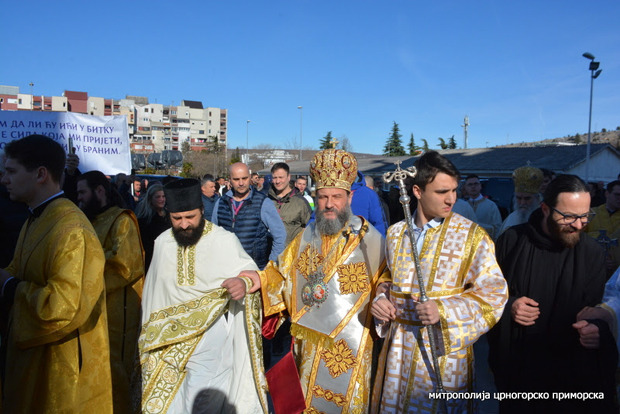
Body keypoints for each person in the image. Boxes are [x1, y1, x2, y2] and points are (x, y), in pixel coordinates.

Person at [241, 148, 388, 413]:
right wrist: (259, 279)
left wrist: (384, 295)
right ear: (315, 198)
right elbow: (282, 273)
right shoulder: (307, 235)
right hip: (308, 347)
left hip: (350, 348)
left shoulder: (370, 240)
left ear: (349, 197)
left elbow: (385, 280)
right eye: (322, 197)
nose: (329, 204)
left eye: (336, 197)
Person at [370, 151, 508, 413]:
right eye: (442, 191)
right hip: (398, 350)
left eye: (454, 190)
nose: (451, 199)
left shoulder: (471, 236)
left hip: (443, 354)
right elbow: (388, 276)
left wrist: (443, 310)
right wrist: (380, 297)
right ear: (417, 191)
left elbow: (494, 294)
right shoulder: (396, 233)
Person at [0, 134, 112, 413]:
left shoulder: (72, 228)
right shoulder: (37, 217)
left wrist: (10, 286)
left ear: (40, 174)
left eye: (11, 171)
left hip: (61, 367)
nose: (4, 179)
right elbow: (18, 268)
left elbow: (64, 307)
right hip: (33, 358)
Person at [488, 174, 616, 413]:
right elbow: (487, 295)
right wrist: (510, 305)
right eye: (568, 216)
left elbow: (595, 309)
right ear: (545, 209)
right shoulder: (511, 241)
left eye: (584, 216)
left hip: (569, 375)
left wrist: (596, 329)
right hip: (519, 371)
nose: (578, 225)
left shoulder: (591, 253)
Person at [139, 179, 267, 413]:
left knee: (200, 402)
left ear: (201, 210)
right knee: (168, 404)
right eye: (177, 218)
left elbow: (251, 274)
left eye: (190, 217)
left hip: (210, 338)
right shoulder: (163, 242)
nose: (184, 224)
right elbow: (152, 295)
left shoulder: (223, 240)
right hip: (165, 341)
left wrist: (243, 283)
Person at [76, 170, 144, 413]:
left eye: (82, 192)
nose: (79, 198)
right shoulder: (89, 220)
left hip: (117, 315)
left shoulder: (122, 220)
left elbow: (126, 264)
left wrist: (82, 266)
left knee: (116, 375)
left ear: (99, 191)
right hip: (92, 310)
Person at [212, 162, 286, 270]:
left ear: (250, 178)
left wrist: (270, 266)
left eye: (244, 178)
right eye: (236, 179)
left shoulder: (263, 202)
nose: (241, 183)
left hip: (254, 269)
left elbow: (280, 235)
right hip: (226, 268)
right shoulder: (220, 203)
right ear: (230, 179)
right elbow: (213, 235)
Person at [268, 162, 312, 246]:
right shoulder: (267, 200)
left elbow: (309, 227)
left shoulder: (300, 202)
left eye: (281, 177)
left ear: (288, 177)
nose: (277, 181)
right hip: (270, 250)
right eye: (275, 178)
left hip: (292, 250)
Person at [585, 180, 620, 278]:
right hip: (592, 267)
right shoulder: (590, 214)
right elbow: (580, 241)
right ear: (607, 193)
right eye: (617, 195)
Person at [498, 165, 543, 236]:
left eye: (527, 198)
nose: (522, 203)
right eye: (519, 198)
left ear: (537, 198)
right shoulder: (510, 219)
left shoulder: (544, 218)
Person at [135, 184, 171, 272]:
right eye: (158, 197)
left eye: (163, 196)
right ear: (151, 199)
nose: (161, 199)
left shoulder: (169, 215)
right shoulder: (144, 220)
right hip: (152, 260)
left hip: (168, 258)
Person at [464, 174, 502, 239]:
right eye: (470, 184)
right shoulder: (463, 206)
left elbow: (497, 228)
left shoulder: (491, 205)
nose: (473, 187)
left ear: (480, 186)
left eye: (476, 184)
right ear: (465, 188)